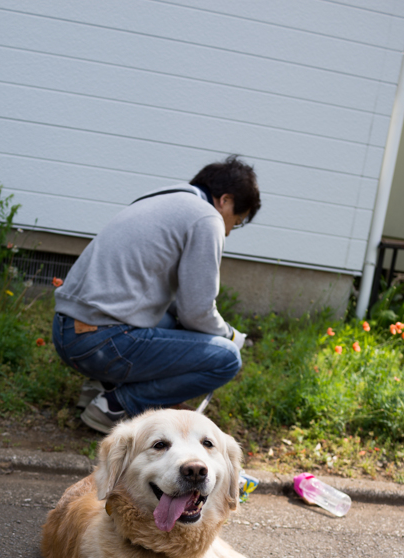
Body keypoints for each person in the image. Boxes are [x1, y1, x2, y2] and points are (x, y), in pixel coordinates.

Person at [51, 155, 261, 433]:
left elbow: (173, 306)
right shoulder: (206, 218)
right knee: (226, 358)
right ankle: (117, 405)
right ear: (225, 200)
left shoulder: (160, 199)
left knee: (172, 324)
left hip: (67, 331)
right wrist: (229, 335)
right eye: (239, 220)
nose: (231, 230)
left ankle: (99, 387)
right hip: (99, 343)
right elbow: (196, 312)